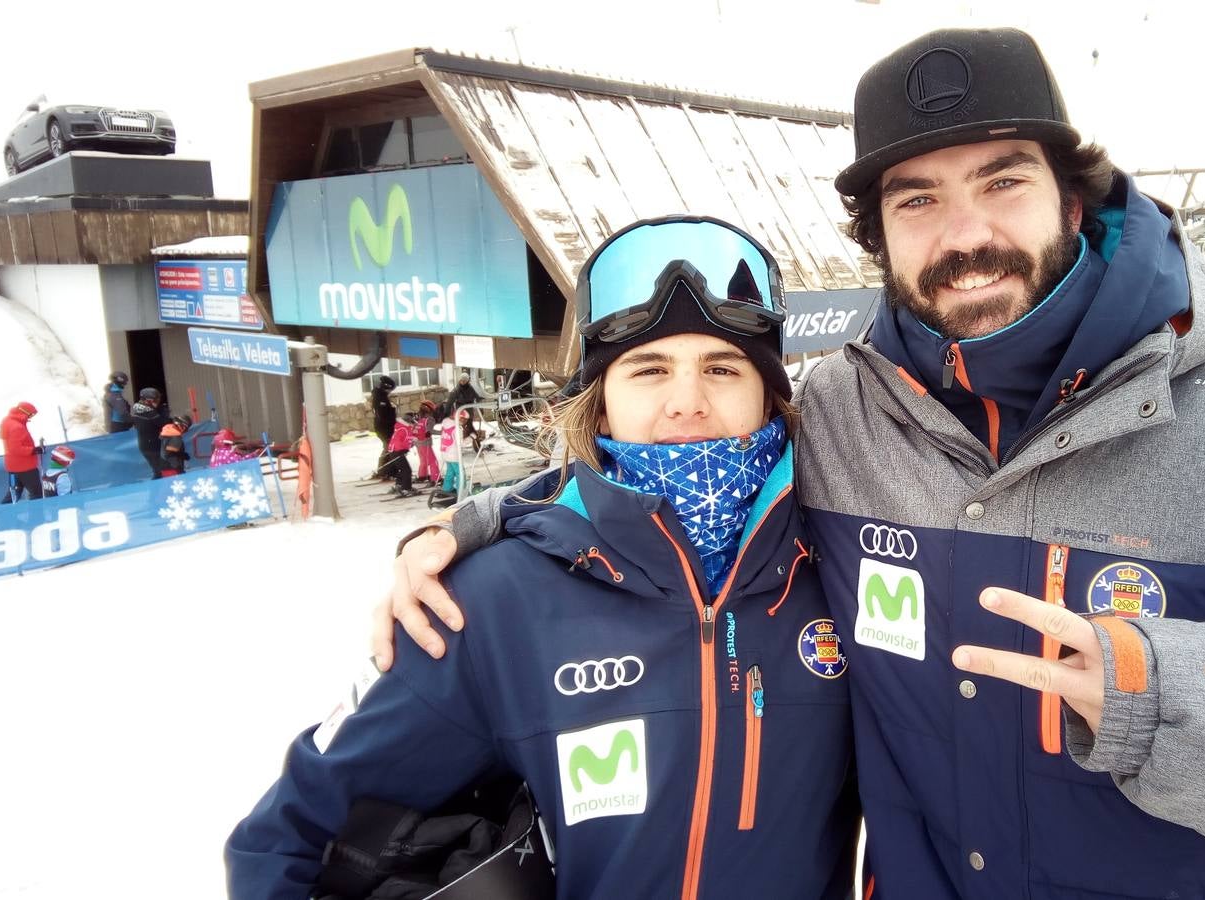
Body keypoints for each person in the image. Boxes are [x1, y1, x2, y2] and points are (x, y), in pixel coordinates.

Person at [380, 27, 1205, 900]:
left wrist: (1173, 697)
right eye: (917, 200)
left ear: (1074, 197)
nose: (964, 233)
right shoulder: (840, 414)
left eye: (1002, 181)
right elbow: (664, 452)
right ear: (876, 239)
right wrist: (476, 527)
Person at [227, 216, 857, 900]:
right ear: (602, 404)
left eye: (722, 368)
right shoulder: (494, 600)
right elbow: (290, 833)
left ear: (768, 394)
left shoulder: (842, 565)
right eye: (649, 370)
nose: (687, 403)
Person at [0, 401, 43, 502]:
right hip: (25, 467)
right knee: (37, 494)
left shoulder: (7, 421)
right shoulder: (17, 427)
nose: (31, 418)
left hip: (13, 466)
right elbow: (15, 448)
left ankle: (3, 515)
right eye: (31, 415)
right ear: (25, 412)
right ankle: (36, 516)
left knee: (13, 494)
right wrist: (33, 450)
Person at [129, 387, 168, 479]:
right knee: (160, 471)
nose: (158, 402)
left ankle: (158, 490)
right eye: (156, 399)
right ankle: (157, 491)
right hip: (152, 446)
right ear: (148, 400)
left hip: (145, 445)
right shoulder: (149, 413)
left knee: (158, 470)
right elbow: (163, 424)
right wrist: (165, 416)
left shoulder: (138, 410)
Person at [379, 414, 417, 497]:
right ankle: (406, 489)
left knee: (402, 470)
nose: (414, 425)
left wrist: (408, 445)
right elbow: (404, 441)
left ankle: (399, 485)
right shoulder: (406, 429)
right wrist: (409, 444)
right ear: (409, 422)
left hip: (394, 451)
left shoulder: (399, 427)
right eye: (413, 422)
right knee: (407, 470)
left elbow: (399, 440)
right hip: (397, 452)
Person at [370, 374, 398, 479]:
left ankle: (386, 470)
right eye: (390, 390)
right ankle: (384, 470)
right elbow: (383, 415)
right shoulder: (380, 398)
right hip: (384, 428)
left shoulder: (381, 396)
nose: (390, 392)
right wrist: (393, 413)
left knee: (388, 448)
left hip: (385, 427)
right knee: (388, 448)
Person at [413, 400, 441, 486]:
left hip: (417, 443)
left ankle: (422, 476)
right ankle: (436, 478)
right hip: (426, 444)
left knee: (423, 461)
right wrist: (442, 432)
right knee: (433, 461)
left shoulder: (418, 418)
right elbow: (430, 431)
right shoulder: (430, 419)